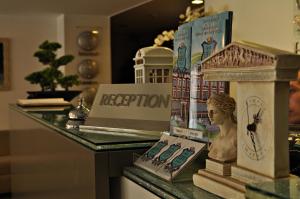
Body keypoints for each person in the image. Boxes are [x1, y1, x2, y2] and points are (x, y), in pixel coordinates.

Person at [207, 93, 237, 162]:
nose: (209, 116)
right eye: (208, 112)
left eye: (214, 112)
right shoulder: (216, 138)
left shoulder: (237, 137)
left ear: (226, 112)